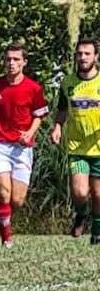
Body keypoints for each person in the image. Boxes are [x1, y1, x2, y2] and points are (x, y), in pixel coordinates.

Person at [0, 43, 48, 248]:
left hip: (22, 148)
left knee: (17, 200)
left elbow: (39, 115)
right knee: (4, 191)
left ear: (24, 62)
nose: (11, 63)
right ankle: (6, 239)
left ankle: (3, 213)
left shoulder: (34, 88)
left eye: (16, 59)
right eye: (8, 59)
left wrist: (30, 132)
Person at [50, 36, 100, 245]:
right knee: (80, 192)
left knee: (98, 194)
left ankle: (97, 230)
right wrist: (57, 127)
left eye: (87, 53)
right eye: (79, 54)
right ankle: (82, 213)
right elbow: (62, 110)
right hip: (77, 147)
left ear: (96, 57)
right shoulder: (68, 82)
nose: (83, 57)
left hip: (98, 148)